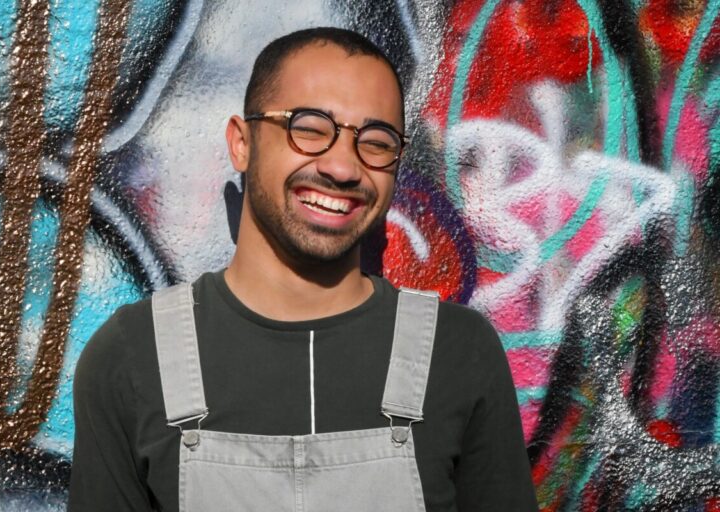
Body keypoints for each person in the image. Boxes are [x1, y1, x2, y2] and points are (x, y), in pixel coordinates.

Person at [68, 27, 538, 511]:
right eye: (310, 128)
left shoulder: (457, 352)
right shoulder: (132, 358)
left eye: (376, 142)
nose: (342, 167)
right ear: (242, 143)